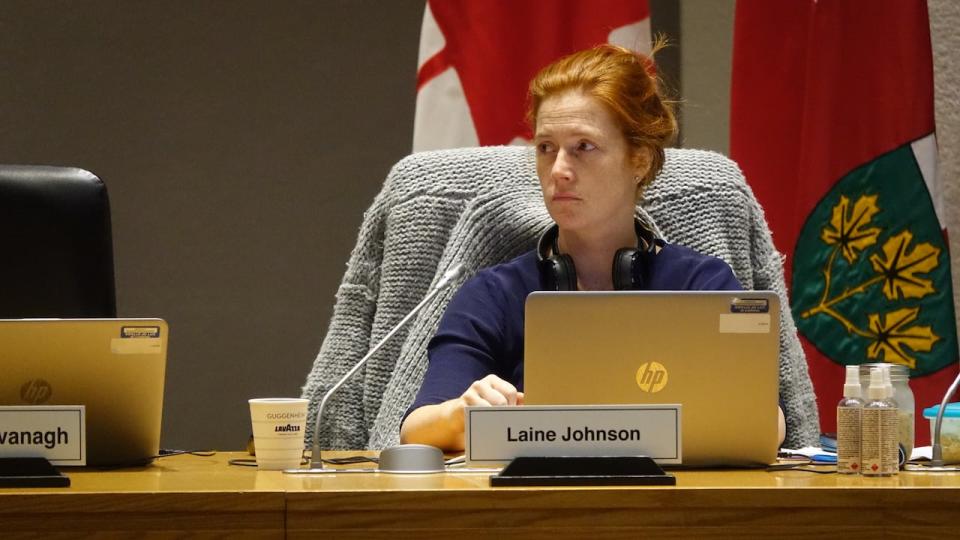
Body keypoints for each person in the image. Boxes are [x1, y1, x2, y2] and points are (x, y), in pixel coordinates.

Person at [399, 43, 787, 451]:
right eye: (546, 148)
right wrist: (460, 412)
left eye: (583, 147)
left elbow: (767, 423)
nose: (559, 171)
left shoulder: (702, 284)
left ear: (639, 159)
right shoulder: (495, 293)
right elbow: (416, 430)